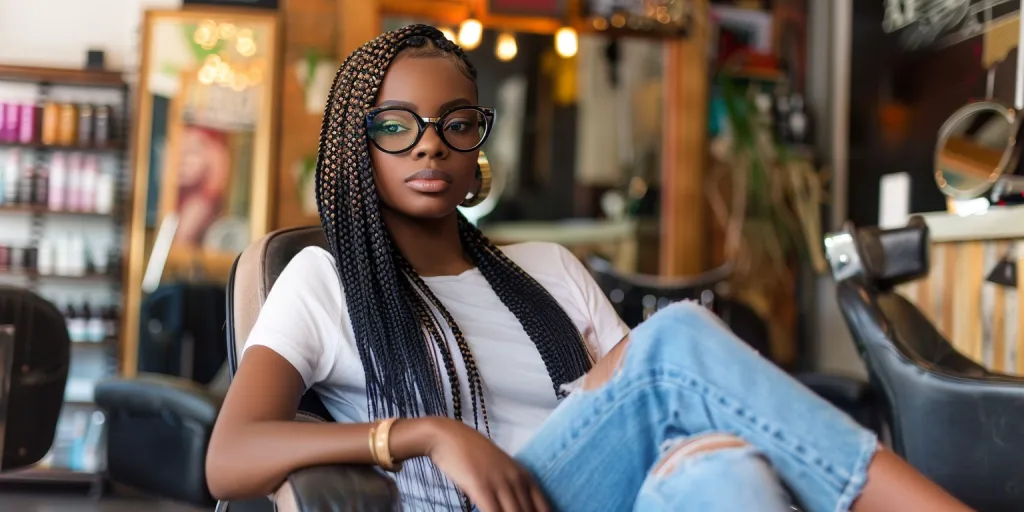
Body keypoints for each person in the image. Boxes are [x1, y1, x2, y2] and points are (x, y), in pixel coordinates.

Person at [206, 25, 969, 512]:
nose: (430, 146)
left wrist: (695, 444)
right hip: (483, 505)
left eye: (457, 124)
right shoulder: (324, 282)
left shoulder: (547, 270)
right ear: (357, 146)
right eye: (396, 128)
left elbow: (632, 405)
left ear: (479, 146)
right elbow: (229, 458)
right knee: (676, 343)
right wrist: (424, 434)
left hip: (609, 492)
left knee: (725, 476)